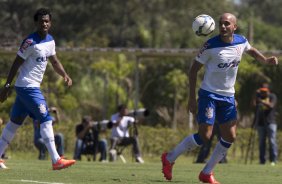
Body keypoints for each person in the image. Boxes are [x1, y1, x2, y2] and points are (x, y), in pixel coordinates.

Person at [161, 13, 278, 183]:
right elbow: (193, 71)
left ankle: (207, 172)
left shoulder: (241, 41)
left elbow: (251, 51)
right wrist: (192, 99)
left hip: (228, 97)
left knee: (230, 136)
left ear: (234, 27)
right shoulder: (209, 46)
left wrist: (266, 60)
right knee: (205, 136)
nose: (223, 27)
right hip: (209, 95)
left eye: (226, 24)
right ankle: (169, 158)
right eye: (220, 24)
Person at [0, 8, 75, 170]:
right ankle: (56, 159)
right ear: (36, 23)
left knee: (14, 123)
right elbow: (16, 63)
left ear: (50, 23)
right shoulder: (30, 42)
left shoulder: (50, 41)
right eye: (41, 21)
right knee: (46, 118)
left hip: (26, 88)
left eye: (47, 21)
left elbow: (54, 61)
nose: (44, 24)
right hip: (28, 87)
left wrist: (65, 75)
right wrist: (6, 85)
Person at [254, 83, 278, 165]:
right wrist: (256, 95)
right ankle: (262, 160)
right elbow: (253, 105)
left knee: (272, 141)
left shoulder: (272, 96)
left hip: (271, 123)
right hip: (260, 124)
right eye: (261, 91)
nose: (263, 93)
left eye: (265, 91)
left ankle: (273, 160)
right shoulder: (259, 97)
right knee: (261, 142)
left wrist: (261, 101)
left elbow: (271, 106)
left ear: (268, 91)